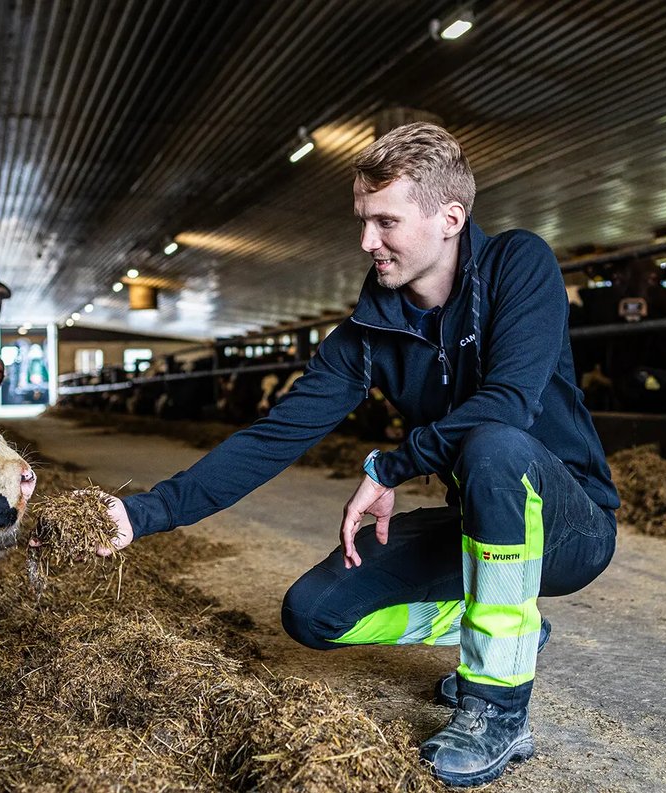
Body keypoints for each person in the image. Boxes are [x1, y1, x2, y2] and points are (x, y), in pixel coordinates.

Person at [102, 122, 618, 787]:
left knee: (494, 444)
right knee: (314, 612)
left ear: (450, 217)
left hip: (571, 523)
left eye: (386, 221)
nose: (366, 241)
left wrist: (390, 465)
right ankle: (509, 621)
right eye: (362, 219)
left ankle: (498, 709)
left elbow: (509, 402)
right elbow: (270, 438)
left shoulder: (518, 264)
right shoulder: (369, 332)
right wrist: (140, 515)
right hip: (483, 533)